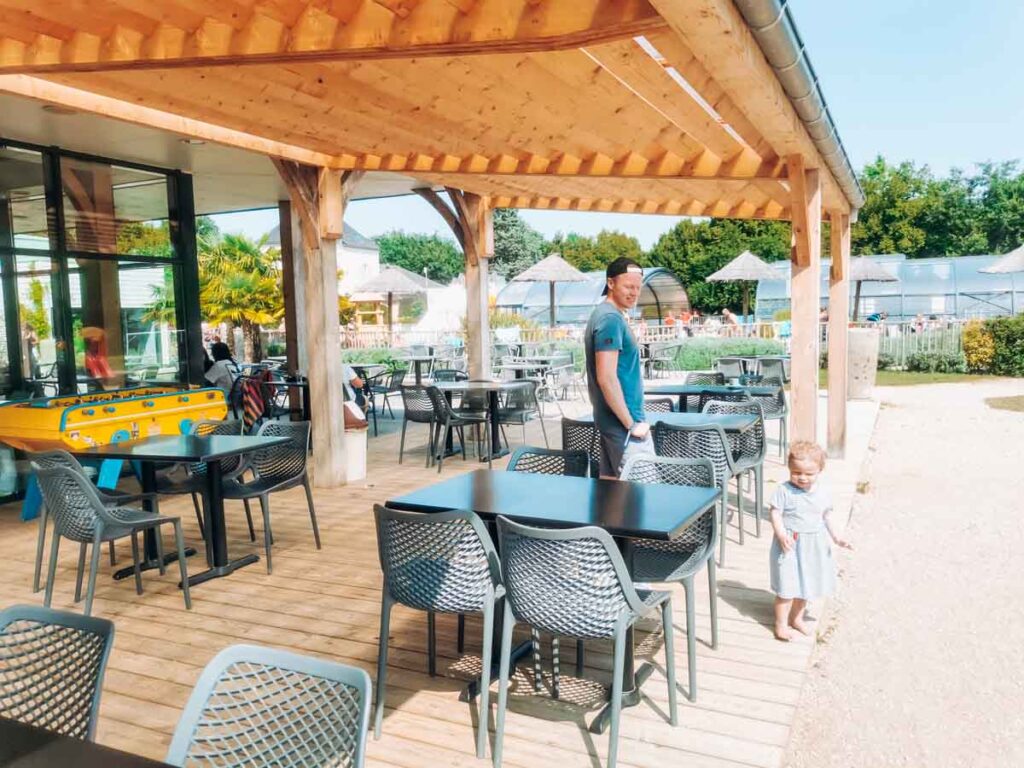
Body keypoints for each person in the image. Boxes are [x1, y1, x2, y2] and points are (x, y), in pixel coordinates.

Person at [769, 441, 851, 642]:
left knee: (806, 584)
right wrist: (781, 534)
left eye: (809, 474)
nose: (802, 478)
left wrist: (836, 537)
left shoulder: (822, 492)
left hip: (813, 544)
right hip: (790, 543)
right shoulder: (784, 491)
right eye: (796, 472)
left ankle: (796, 618)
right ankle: (780, 624)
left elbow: (826, 516)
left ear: (819, 471)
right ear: (789, 469)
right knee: (787, 587)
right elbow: (776, 513)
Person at [584, 257, 648, 479]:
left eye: (638, 288)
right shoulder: (610, 319)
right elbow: (606, 378)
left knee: (613, 498)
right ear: (610, 284)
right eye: (628, 286)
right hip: (624, 426)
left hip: (611, 422)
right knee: (644, 496)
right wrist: (631, 424)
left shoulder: (605, 314)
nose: (634, 293)